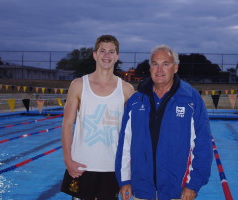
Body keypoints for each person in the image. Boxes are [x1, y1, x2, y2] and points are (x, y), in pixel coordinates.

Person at [115, 45, 213, 200]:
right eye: (155, 64)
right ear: (150, 67)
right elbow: (125, 143)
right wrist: (125, 179)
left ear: (175, 68)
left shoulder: (191, 100)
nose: (159, 69)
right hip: (141, 190)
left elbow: (202, 144)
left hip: (177, 191)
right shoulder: (136, 101)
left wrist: (193, 184)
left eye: (165, 64)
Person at [61, 35, 135, 200]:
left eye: (111, 52)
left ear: (117, 56)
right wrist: (67, 159)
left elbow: (135, 130)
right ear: (95, 55)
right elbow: (67, 124)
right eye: (102, 51)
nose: (106, 56)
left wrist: (130, 167)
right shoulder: (79, 85)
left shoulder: (127, 89)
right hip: (82, 165)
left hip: (113, 167)